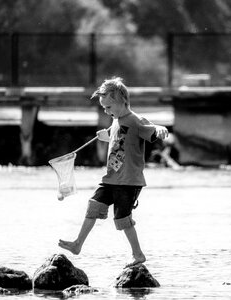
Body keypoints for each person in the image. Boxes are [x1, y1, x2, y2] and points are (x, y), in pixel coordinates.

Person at [58, 77, 169, 267]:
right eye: (104, 107)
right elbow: (121, 141)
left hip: (129, 180)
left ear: (122, 101)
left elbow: (151, 129)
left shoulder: (136, 120)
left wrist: (159, 129)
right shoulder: (116, 121)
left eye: (109, 107)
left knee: (122, 219)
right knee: (93, 206)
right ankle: (78, 244)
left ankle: (138, 254)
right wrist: (107, 137)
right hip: (111, 178)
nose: (106, 111)